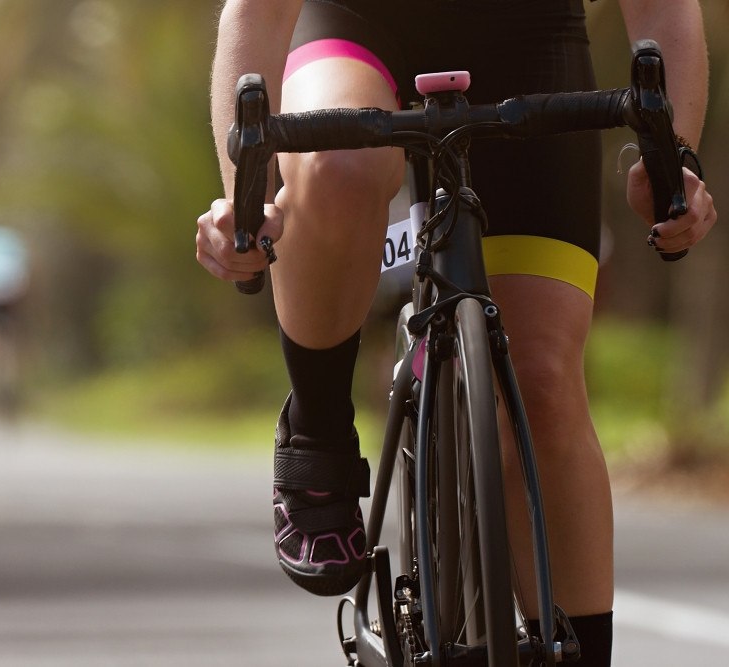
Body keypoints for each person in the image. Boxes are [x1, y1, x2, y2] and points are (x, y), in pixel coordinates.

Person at [196, 1, 716, 664]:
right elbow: (259, 13)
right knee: (339, 167)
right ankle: (318, 421)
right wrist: (246, 202)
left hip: (527, 38)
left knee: (544, 386)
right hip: (355, 25)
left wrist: (673, 164)